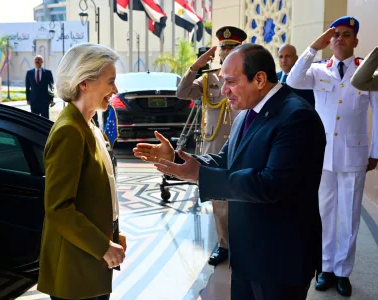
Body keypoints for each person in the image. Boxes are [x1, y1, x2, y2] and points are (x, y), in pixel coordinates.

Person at [134, 43, 326, 300]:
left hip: (279, 260)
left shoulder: (296, 117)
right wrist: (181, 160)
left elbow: (271, 184)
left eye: (232, 82)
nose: (224, 91)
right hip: (246, 254)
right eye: (223, 82)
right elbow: (226, 160)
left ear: (259, 79)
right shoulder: (244, 116)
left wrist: (199, 176)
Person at [286, 16, 378, 297]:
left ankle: (343, 272)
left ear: (355, 41)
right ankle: (325, 268)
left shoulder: (367, 73)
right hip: (322, 156)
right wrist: (314, 46)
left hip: (354, 153)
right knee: (324, 213)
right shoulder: (317, 70)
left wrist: (375, 152)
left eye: (346, 34)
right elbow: (293, 79)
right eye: (335, 34)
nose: (340, 39)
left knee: (349, 215)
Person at [37, 43, 127, 300]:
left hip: (90, 260)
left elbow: (97, 193)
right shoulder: (69, 131)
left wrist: (113, 233)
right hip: (75, 268)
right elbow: (59, 208)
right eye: (110, 82)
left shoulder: (89, 127)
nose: (115, 90)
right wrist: (103, 246)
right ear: (84, 82)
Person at [176, 26, 247, 266]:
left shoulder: (248, 75)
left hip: (242, 144)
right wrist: (196, 66)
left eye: (232, 47)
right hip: (215, 145)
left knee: (245, 196)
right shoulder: (208, 78)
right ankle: (224, 244)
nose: (226, 51)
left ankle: (244, 244)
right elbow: (182, 92)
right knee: (220, 199)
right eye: (224, 47)